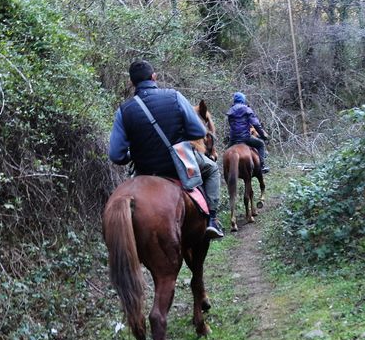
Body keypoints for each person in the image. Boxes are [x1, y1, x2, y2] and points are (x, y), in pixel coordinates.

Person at [108, 60, 224, 239]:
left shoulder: (124, 111)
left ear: (131, 83)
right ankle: (212, 220)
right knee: (212, 168)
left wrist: (134, 154)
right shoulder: (174, 96)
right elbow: (199, 131)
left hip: (145, 170)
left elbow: (116, 155)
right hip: (177, 164)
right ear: (154, 77)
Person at [225, 91, 270, 174]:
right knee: (261, 144)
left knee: (226, 153)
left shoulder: (230, 111)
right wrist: (263, 135)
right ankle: (262, 166)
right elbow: (256, 124)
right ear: (243, 100)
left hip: (233, 139)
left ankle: (225, 169)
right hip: (245, 137)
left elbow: (231, 125)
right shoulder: (247, 109)